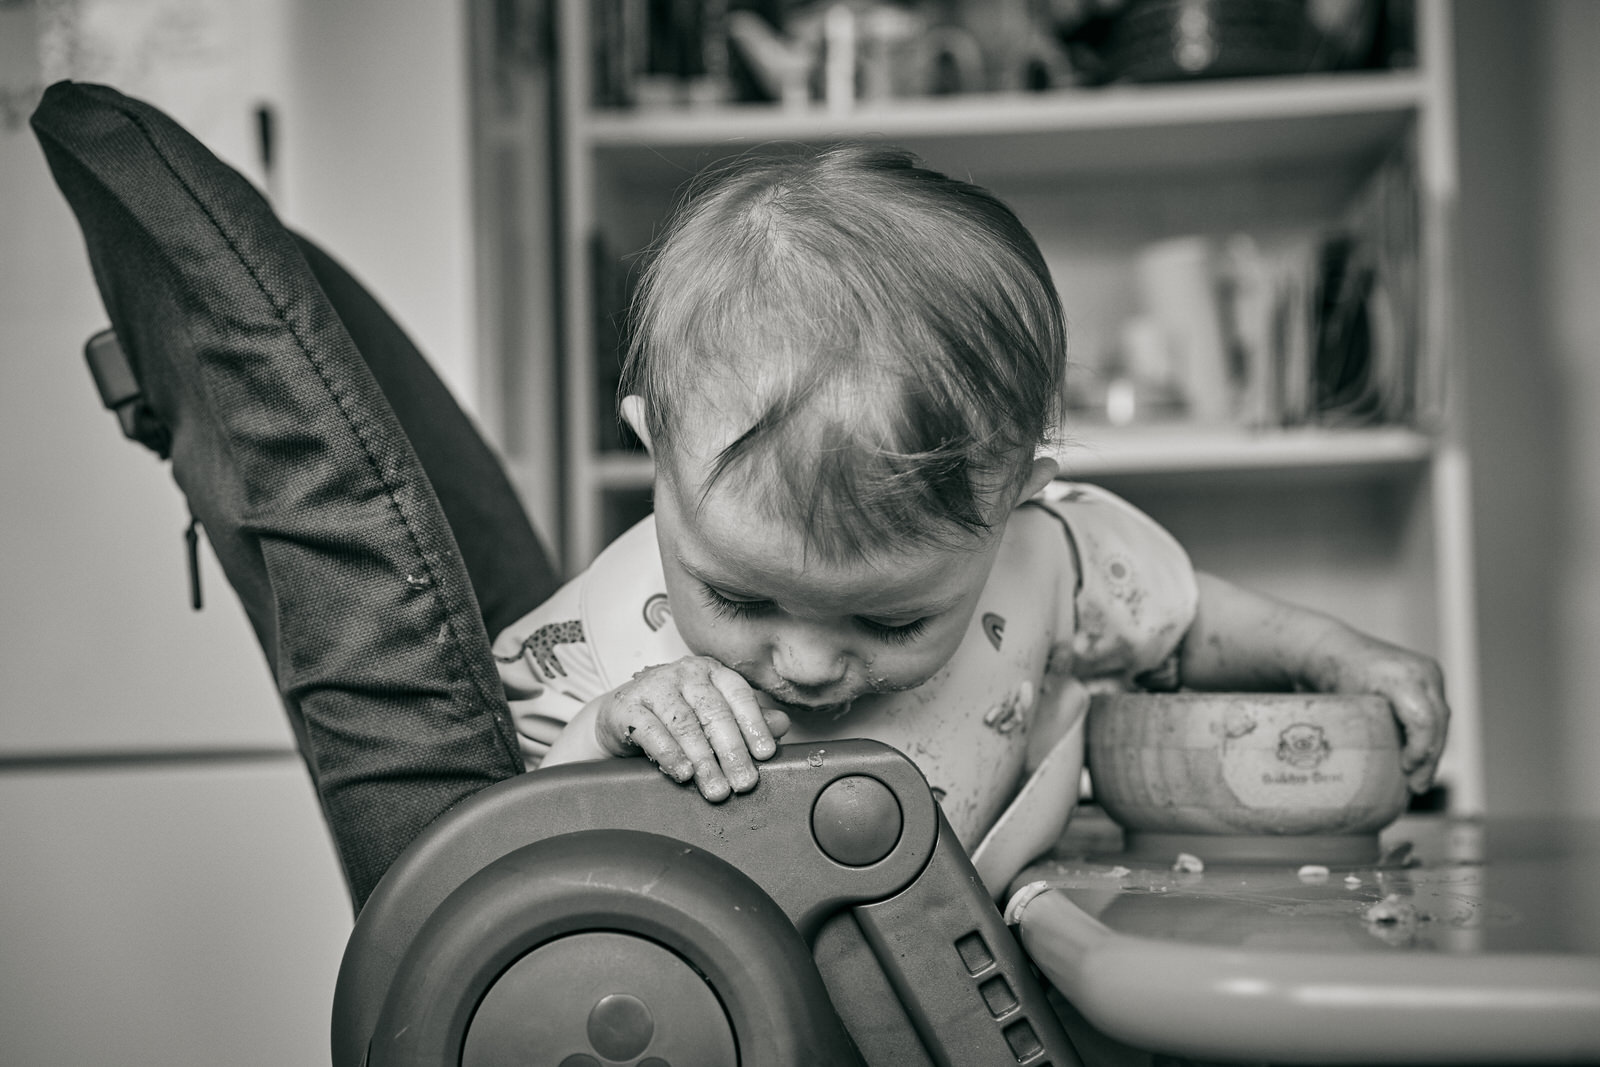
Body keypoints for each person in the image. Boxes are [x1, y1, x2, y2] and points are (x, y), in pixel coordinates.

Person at [492, 143, 1449, 893]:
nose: (809, 663)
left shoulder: (1049, 558)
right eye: (741, 599)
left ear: (1016, 500)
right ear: (656, 453)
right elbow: (495, 864)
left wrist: (1333, 654)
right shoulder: (590, 649)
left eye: (890, 619)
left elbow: (1184, 621)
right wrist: (604, 737)